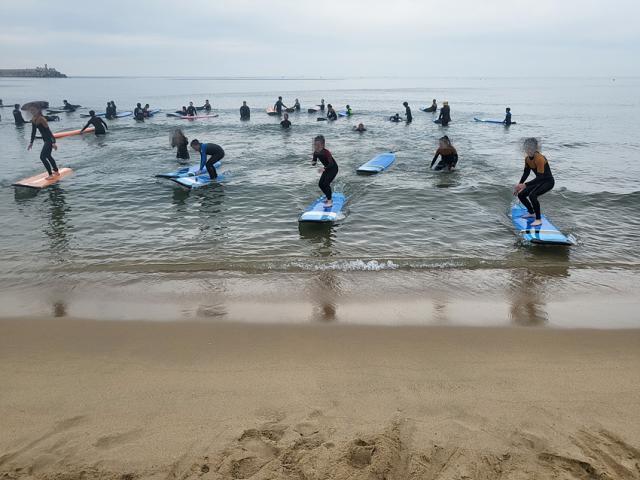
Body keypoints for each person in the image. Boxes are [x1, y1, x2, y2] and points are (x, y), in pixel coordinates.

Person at [514, 138, 554, 227]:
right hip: (539, 181)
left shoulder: (539, 158)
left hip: (548, 182)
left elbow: (540, 177)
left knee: (533, 195)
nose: (528, 150)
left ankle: (538, 219)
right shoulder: (527, 159)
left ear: (535, 148)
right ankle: (531, 213)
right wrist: (519, 186)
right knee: (521, 194)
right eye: (527, 148)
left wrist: (525, 185)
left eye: (531, 148)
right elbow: (526, 173)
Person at [28, 108, 59, 179]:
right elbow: (33, 132)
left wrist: (53, 142)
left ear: (38, 111)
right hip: (45, 140)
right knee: (48, 155)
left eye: (33, 110)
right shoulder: (33, 119)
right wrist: (31, 142)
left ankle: (50, 175)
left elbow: (49, 131)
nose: (32, 111)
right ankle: (56, 171)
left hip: (49, 139)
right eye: (31, 110)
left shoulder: (42, 119)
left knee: (42, 157)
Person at [311, 135, 338, 207]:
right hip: (326, 169)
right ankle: (328, 196)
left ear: (323, 145)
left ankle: (329, 201)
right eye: (315, 144)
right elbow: (314, 161)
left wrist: (324, 168)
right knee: (320, 184)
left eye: (318, 145)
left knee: (326, 184)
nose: (316, 146)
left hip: (333, 168)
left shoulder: (326, 152)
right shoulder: (315, 153)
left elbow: (331, 163)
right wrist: (313, 163)